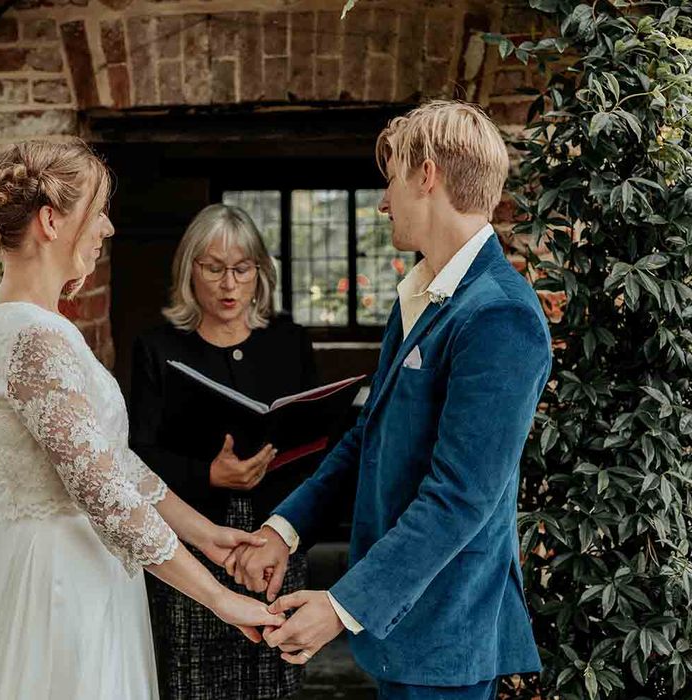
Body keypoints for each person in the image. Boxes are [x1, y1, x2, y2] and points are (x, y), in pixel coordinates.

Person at [0, 140, 283, 699]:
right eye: (97, 214)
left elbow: (113, 461)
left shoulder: (34, 325)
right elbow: (102, 492)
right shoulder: (34, 337)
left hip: (85, 567)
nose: (108, 229)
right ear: (50, 222)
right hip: (59, 583)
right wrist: (219, 598)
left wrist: (206, 535)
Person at [226, 100, 552, 700]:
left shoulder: (500, 314)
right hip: (401, 637)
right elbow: (368, 438)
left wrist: (342, 604)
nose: (382, 201)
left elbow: (461, 498)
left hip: (448, 638)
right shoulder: (422, 295)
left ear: (426, 175)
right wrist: (285, 529)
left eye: (391, 178)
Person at [129, 203, 317, 699]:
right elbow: (136, 456)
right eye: (213, 268)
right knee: (192, 674)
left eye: (241, 269)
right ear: (189, 270)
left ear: (261, 272)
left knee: (273, 667)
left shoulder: (289, 341)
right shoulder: (157, 347)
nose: (229, 284)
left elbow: (320, 444)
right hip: (190, 538)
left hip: (273, 534)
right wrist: (208, 475)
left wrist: (287, 527)